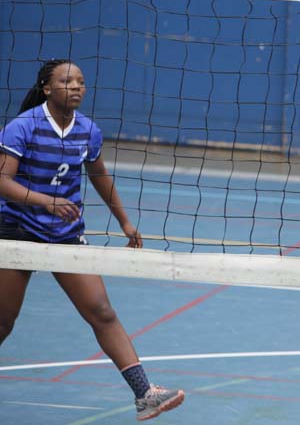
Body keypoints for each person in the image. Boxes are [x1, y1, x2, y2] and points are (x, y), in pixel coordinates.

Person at [0, 59, 185, 421]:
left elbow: (100, 176)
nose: (76, 87)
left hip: (65, 236)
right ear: (46, 88)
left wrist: (126, 222)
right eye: (67, 81)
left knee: (102, 311)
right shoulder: (23, 127)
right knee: (3, 323)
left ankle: (145, 393)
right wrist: (46, 202)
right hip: (19, 231)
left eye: (81, 82)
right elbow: (2, 181)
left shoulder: (88, 131)